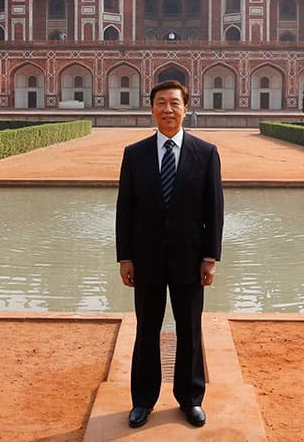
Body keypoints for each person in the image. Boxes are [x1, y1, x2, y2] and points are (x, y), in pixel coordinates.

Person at [115, 80, 224, 429]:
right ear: (151, 109)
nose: (167, 109)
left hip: (190, 258)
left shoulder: (206, 152)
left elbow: (214, 209)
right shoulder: (135, 153)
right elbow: (124, 209)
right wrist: (125, 257)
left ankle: (190, 398)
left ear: (186, 108)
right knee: (147, 328)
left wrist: (211, 257)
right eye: (161, 103)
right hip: (146, 258)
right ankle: (142, 401)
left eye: (174, 103)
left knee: (189, 329)